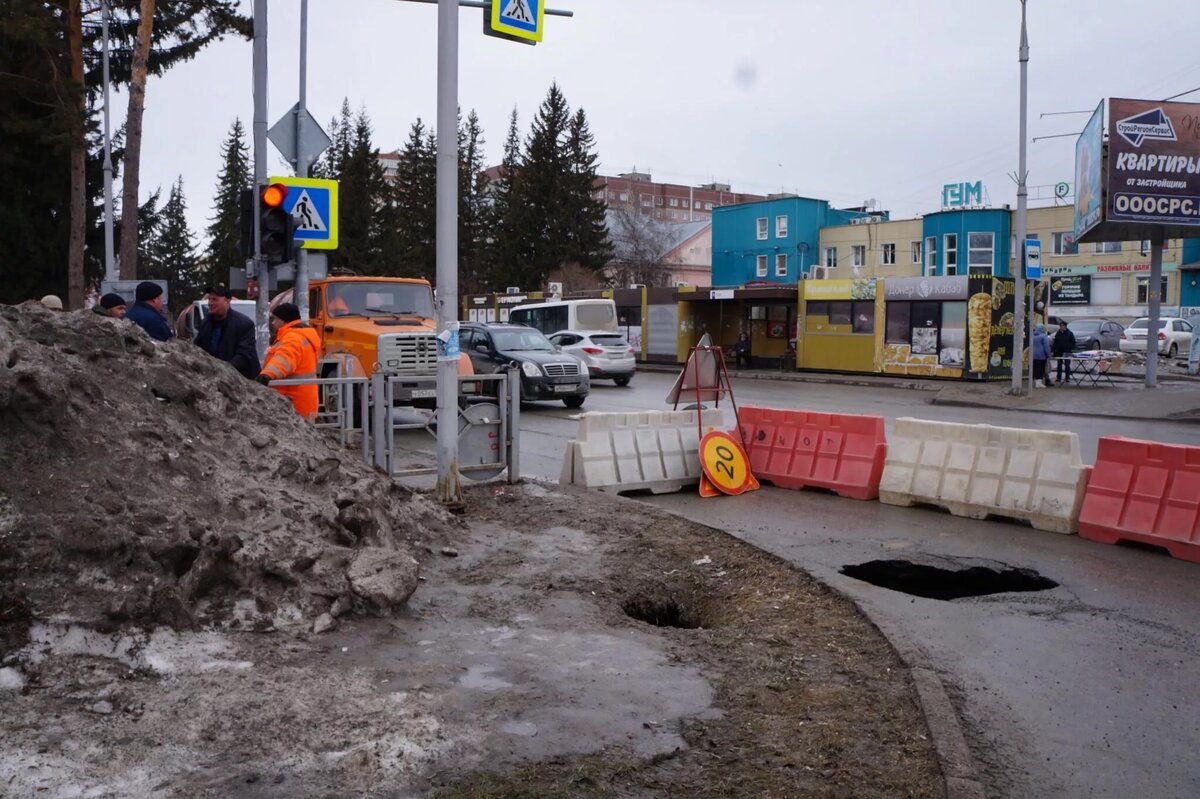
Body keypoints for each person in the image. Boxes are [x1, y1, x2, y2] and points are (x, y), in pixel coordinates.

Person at [257, 302, 320, 420]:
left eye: (275, 319)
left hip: (293, 402)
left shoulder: (293, 337)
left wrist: (266, 375)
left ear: (284, 320)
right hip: (301, 398)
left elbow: (285, 358)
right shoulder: (301, 334)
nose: (273, 322)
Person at [193, 286, 259, 379]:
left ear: (227, 301)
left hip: (240, 380)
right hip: (213, 377)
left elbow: (244, 354)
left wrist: (224, 371)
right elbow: (197, 347)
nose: (210, 303)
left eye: (215, 300)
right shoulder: (205, 323)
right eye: (209, 299)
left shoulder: (244, 324)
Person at [1050, 319, 1075, 387]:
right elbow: (1055, 343)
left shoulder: (1070, 333)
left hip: (1067, 352)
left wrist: (1070, 348)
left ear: (1066, 326)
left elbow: (1073, 342)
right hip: (1059, 352)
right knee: (1059, 365)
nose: (1062, 327)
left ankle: (1067, 377)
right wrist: (1054, 350)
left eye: (1063, 326)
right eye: (1061, 326)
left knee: (1067, 365)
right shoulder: (1057, 333)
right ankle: (1059, 377)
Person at [1031, 323, 1051, 388]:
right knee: (1041, 369)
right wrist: (1048, 355)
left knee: (1035, 369)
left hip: (1033, 355)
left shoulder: (1032, 335)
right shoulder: (1044, 336)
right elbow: (1046, 347)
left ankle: (1035, 382)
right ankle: (1039, 383)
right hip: (1041, 356)